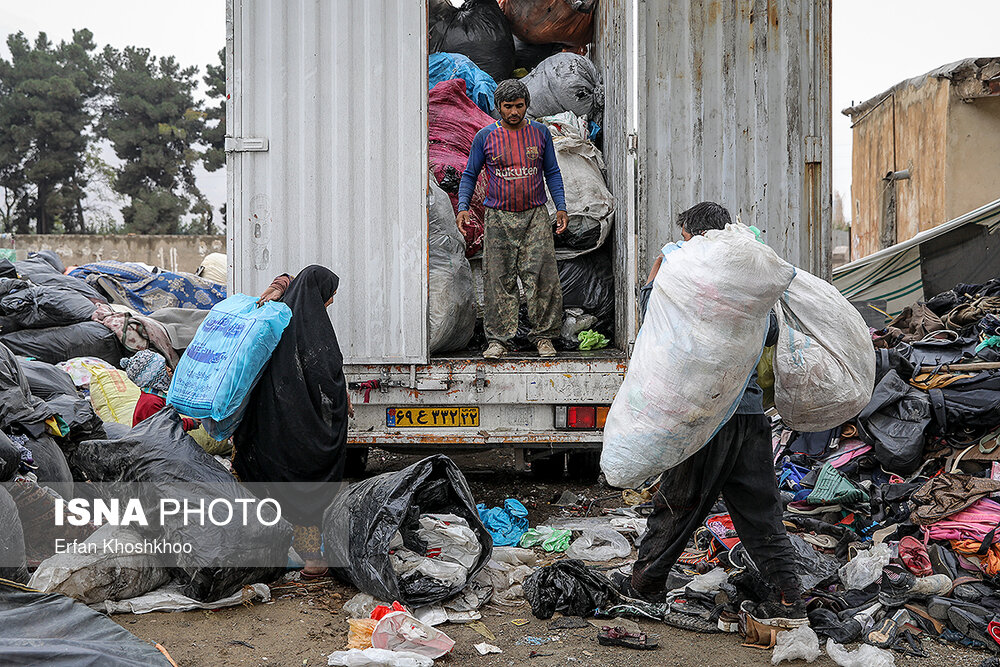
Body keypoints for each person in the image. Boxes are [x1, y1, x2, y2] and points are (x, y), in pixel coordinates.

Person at [616, 202, 806, 625]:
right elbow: (771, 331)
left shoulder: (684, 269)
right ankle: (789, 598)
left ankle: (645, 583)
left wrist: (651, 283)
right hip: (750, 413)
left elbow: (658, 319)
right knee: (761, 514)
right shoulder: (749, 275)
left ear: (694, 235)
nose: (680, 241)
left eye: (683, 235)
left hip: (705, 416)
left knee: (678, 502)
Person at [234, 266, 353, 578]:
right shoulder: (315, 330)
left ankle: (273, 552)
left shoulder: (277, 318)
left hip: (271, 428)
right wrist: (340, 402)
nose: (329, 303)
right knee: (306, 497)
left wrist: (279, 283)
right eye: (329, 297)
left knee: (277, 493)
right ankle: (313, 560)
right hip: (302, 432)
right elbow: (327, 378)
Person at [457, 78, 569, 360]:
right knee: (498, 279)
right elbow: (470, 174)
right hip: (498, 217)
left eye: (519, 106)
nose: (514, 112)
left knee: (542, 277)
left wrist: (561, 207)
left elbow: (552, 172)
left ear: (527, 106)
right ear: (498, 108)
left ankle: (544, 337)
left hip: (535, 216)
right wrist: (462, 207)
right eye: (508, 107)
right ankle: (498, 340)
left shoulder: (541, 134)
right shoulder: (485, 137)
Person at [121, 350, 199, 431]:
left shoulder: (154, 396)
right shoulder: (151, 402)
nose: (169, 369)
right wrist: (189, 423)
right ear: (155, 377)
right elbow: (165, 429)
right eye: (164, 368)